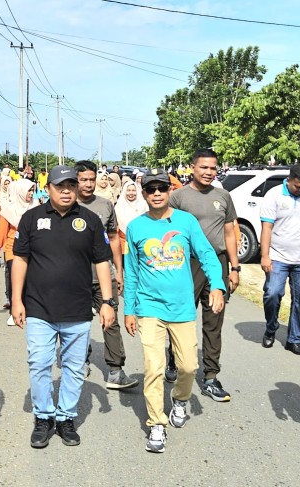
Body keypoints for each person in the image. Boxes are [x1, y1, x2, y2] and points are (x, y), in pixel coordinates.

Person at [11, 165, 116, 449]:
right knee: (40, 363)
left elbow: (102, 262)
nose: (67, 190)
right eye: (60, 186)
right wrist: (16, 300)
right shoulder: (31, 219)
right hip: (39, 309)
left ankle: (66, 417)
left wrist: (107, 301)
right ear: (49, 189)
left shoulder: (90, 220)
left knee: (72, 367)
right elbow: (20, 260)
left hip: (78, 309)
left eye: (71, 185)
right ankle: (43, 417)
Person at [123, 168, 226, 453]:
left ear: (170, 191)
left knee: (188, 366)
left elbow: (207, 254)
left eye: (161, 188)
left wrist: (217, 285)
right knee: (154, 368)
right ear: (143, 193)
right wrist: (129, 309)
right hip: (149, 307)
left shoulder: (186, 222)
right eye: (150, 189)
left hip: (182, 308)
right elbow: (131, 272)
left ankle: (180, 399)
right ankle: (156, 423)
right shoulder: (136, 227)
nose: (156, 194)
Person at [166, 149, 241, 402]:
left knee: (214, 321)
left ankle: (210, 376)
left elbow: (230, 232)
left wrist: (234, 267)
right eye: (203, 168)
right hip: (187, 264)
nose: (209, 172)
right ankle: (174, 359)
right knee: (181, 317)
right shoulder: (178, 197)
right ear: (192, 168)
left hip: (217, 263)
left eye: (213, 168)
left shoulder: (223, 196)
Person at [75, 160, 138, 389]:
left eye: (92, 179)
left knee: (110, 322)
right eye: (84, 180)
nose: (89, 184)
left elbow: (113, 239)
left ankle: (115, 370)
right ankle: (80, 361)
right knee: (78, 324)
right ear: (75, 180)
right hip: (76, 278)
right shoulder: (66, 205)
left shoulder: (105, 205)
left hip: (105, 276)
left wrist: (119, 271)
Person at [259, 164, 300, 355]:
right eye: (298, 187)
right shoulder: (274, 195)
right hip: (277, 257)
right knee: (272, 293)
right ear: (289, 179)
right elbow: (267, 228)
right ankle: (271, 328)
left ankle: (293, 339)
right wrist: (264, 255)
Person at [0, 179, 36, 310]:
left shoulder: (36, 207)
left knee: (30, 280)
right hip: (12, 250)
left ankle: (28, 307)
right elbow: (1, 233)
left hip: (32, 251)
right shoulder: (8, 211)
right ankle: (14, 309)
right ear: (20, 192)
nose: (31, 194)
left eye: (33, 190)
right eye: (29, 191)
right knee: (14, 280)